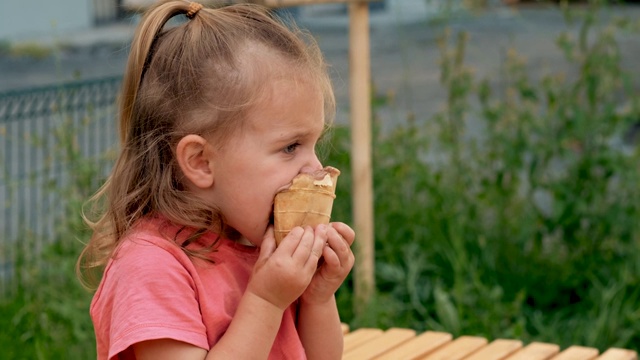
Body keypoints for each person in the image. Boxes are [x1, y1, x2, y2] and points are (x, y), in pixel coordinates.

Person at [76, 1, 355, 359]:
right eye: (290, 147)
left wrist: (318, 297)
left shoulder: (256, 242)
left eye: (313, 144)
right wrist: (266, 300)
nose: (315, 167)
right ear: (201, 162)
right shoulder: (152, 267)